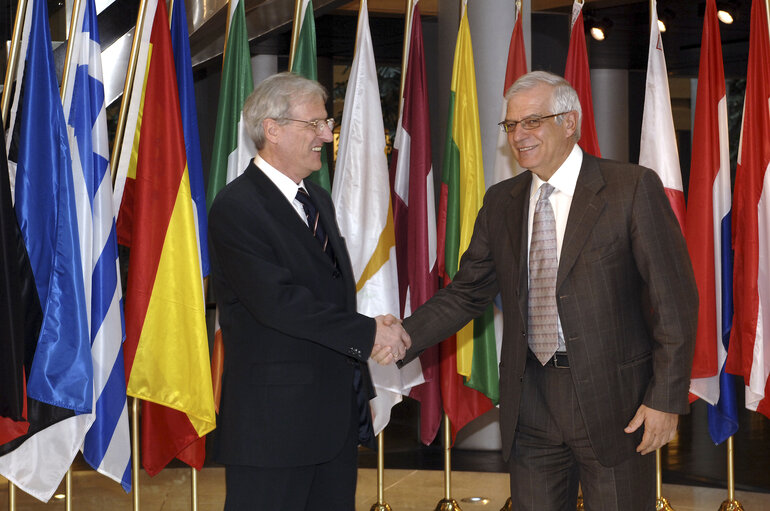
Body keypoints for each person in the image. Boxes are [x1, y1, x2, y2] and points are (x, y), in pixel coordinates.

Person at [377, 71, 698, 510]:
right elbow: (467, 292)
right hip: (530, 402)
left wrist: (665, 399)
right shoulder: (501, 202)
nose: (519, 135)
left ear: (570, 123)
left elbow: (674, 302)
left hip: (615, 404)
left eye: (533, 122)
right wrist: (405, 336)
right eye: (511, 125)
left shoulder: (630, 188)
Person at [208, 72, 410, 511]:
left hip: (332, 420)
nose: (325, 134)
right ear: (272, 129)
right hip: (273, 429)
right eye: (314, 124)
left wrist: (361, 386)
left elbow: (331, 297)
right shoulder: (237, 207)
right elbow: (279, 303)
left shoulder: (316, 199)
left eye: (327, 123)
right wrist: (369, 333)